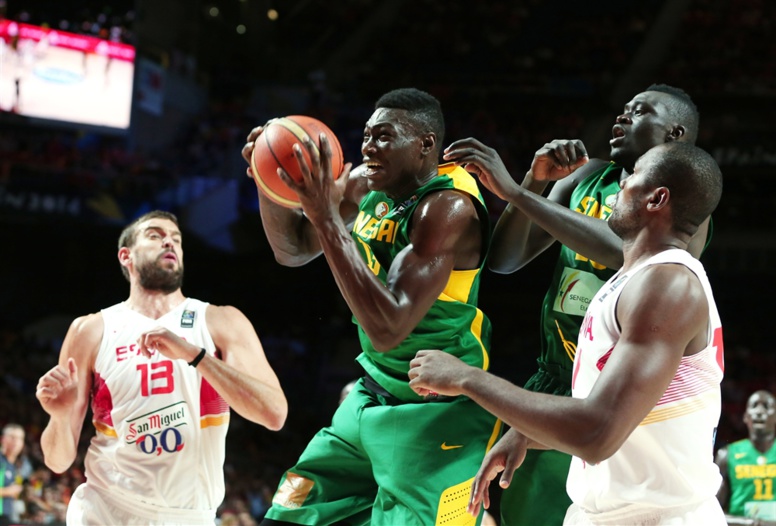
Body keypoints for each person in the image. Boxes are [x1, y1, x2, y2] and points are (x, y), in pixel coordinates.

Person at [409, 141, 726, 524]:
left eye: (634, 175)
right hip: (611, 513)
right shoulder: (636, 278)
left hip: (658, 517)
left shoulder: (667, 285)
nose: (620, 185)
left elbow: (598, 431)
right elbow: (632, 418)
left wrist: (466, 378)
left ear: (657, 199)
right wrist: (525, 433)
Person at [242, 87, 501, 526]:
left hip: (439, 412)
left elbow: (388, 328)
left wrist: (324, 216)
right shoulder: (363, 183)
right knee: (285, 517)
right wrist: (271, 182)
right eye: (366, 135)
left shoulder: (448, 207)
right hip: (370, 394)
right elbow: (292, 250)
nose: (367, 147)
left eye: (383, 136)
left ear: (425, 145)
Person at [35, 210, 288, 525]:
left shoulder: (221, 321)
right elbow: (58, 461)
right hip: (105, 508)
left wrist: (194, 355)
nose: (169, 241)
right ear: (126, 256)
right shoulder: (90, 330)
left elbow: (274, 414)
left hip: (189, 516)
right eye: (155, 235)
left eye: (177, 239)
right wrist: (59, 418)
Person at [716, 390, 776, 526]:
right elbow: (713, 510)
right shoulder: (727, 454)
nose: (759, 411)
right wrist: (752, 523)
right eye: (754, 406)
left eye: (766, 406)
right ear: (745, 417)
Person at [0, 423, 25, 526]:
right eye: (12, 437)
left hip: (5, 516)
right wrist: (8, 491)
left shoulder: (13, 465)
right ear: (3, 439)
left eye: (20, 438)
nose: (16, 442)